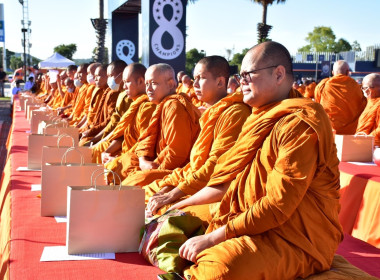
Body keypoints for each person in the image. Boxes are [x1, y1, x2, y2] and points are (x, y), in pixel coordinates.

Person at [167, 41, 343, 279]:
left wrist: (215, 236)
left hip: (295, 238)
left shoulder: (300, 123)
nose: (241, 83)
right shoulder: (258, 117)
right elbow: (229, 182)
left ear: (279, 74)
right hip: (250, 220)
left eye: (248, 75)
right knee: (177, 223)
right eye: (240, 76)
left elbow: (278, 204)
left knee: (220, 268)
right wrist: (176, 203)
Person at [144, 56, 251, 216]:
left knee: (160, 209)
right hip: (190, 178)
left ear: (221, 82)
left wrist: (172, 194)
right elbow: (196, 164)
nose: (194, 84)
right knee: (140, 192)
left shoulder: (235, 114)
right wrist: (168, 187)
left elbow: (214, 166)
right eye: (195, 78)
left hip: (213, 187)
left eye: (201, 78)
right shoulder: (210, 113)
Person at [119, 63, 201, 186]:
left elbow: (177, 153)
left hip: (176, 169)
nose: (149, 89)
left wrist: (154, 169)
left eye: (154, 83)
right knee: (126, 161)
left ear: (171, 84)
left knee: (135, 181)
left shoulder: (174, 107)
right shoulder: (162, 106)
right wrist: (143, 161)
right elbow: (146, 140)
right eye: (147, 84)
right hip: (158, 162)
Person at [91, 62, 153, 163]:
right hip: (120, 146)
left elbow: (144, 143)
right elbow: (123, 133)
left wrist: (119, 159)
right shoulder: (135, 103)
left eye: (127, 82)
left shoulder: (148, 107)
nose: (124, 86)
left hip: (134, 156)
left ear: (141, 81)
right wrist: (106, 151)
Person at [79, 60, 126, 146]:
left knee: (82, 143)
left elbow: (112, 123)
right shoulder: (106, 91)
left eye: (98, 75)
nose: (94, 78)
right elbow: (91, 113)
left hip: (113, 138)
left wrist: (94, 136)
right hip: (99, 130)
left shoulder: (115, 93)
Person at [314, 60, 366, 134]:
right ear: (348, 72)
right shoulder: (355, 86)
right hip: (350, 132)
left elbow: (318, 104)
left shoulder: (323, 85)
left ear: (332, 72)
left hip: (329, 129)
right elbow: (363, 105)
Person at [356, 73, 380, 146]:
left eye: (364, 88)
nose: (363, 90)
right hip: (363, 143)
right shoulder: (370, 102)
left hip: (375, 146)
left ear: (370, 89)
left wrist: (366, 139)